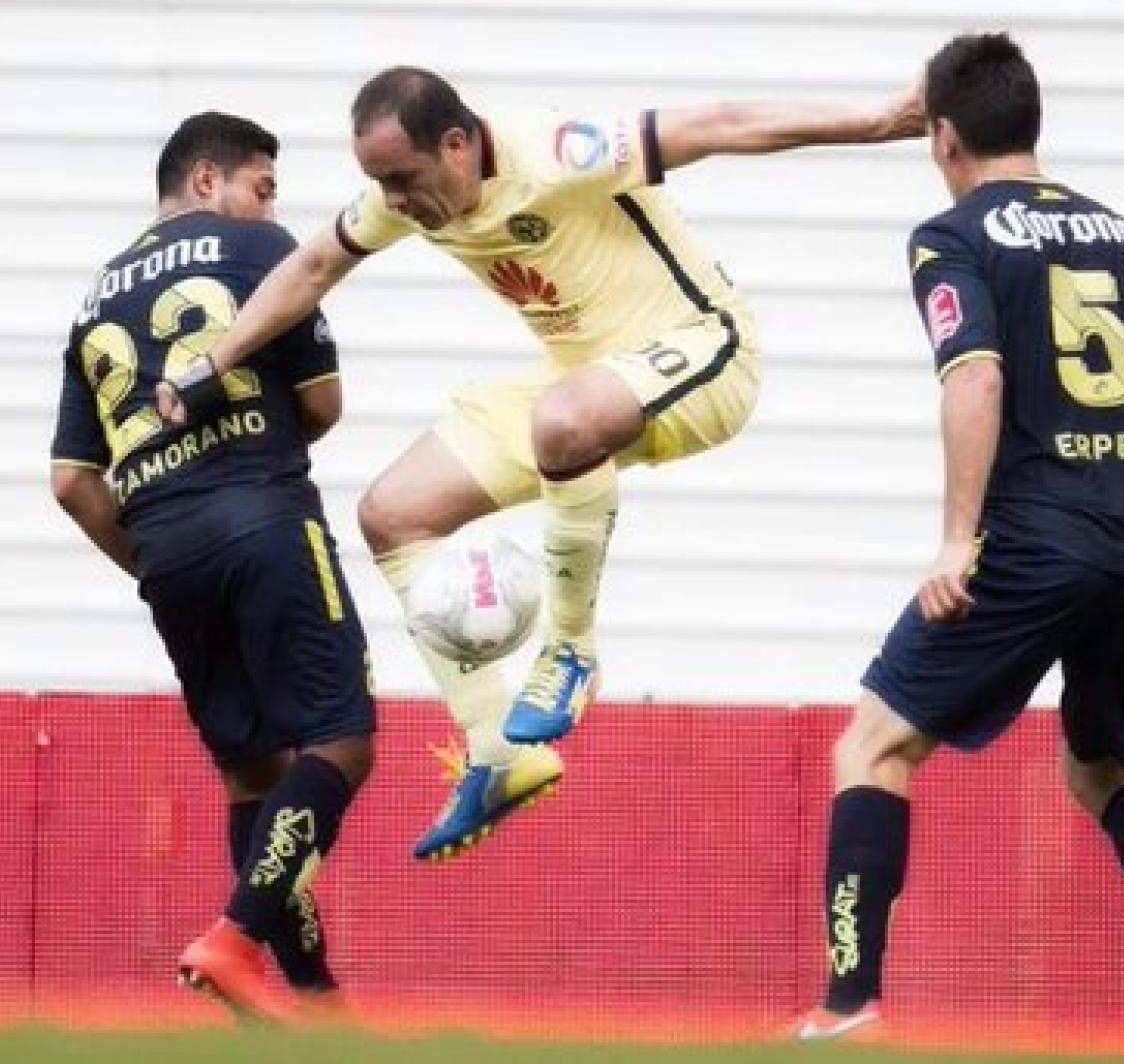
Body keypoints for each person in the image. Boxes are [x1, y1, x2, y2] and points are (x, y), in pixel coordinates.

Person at [157, 68, 924, 861]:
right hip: (581, 380)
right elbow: (313, 266)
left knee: (564, 421)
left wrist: (876, 122)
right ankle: (496, 752)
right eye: (380, 183)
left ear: (457, 144)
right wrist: (212, 363)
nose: (395, 200)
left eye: (405, 178)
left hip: (704, 351)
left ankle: (571, 652)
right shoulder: (400, 198)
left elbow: (719, 122)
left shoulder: (556, 153)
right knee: (391, 513)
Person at [799, 32, 1124, 1042]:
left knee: (874, 745)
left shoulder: (953, 236)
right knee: (1100, 770)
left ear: (943, 137)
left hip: (1033, 545)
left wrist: (955, 542)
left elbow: (976, 375)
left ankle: (847, 1008)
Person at [51, 112, 375, 1022]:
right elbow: (323, 403)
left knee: (252, 774)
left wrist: (151, 562)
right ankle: (234, 941)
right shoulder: (258, 248)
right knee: (342, 740)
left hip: (167, 553)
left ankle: (314, 1002)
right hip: (265, 520)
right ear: (206, 179)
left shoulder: (93, 301)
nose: (270, 205)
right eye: (262, 185)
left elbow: (72, 482)